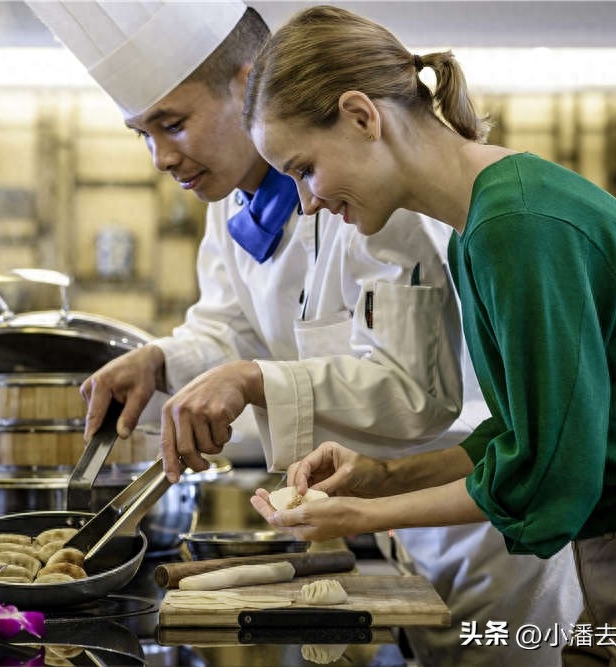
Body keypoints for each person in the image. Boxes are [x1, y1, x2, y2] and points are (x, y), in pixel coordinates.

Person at [29, 3, 583, 665]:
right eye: (141, 134)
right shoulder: (233, 205)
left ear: (247, 84)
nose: (160, 156)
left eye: (172, 123)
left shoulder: (381, 199)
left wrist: (254, 379)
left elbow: (414, 390)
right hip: (388, 507)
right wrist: (163, 361)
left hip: (484, 530)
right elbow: (227, 329)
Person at [243, 6, 616, 666]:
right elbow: (522, 435)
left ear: (363, 115)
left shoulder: (518, 224)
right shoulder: (483, 225)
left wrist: (365, 517)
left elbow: (545, 476)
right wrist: (378, 479)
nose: (306, 200)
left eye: (304, 167)